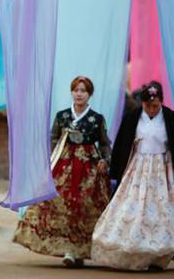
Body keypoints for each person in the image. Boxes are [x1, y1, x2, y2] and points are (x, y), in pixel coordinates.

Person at [13, 76, 111, 267]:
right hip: (63, 167)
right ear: (71, 92)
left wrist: (104, 160)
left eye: (83, 90)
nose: (79, 94)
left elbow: (105, 143)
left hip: (88, 170)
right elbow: (53, 138)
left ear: (89, 94)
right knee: (59, 202)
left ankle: (80, 251)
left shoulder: (97, 119)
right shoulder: (62, 116)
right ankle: (67, 249)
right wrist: (50, 159)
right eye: (76, 90)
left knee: (83, 206)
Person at [92, 81, 174, 271]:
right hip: (137, 169)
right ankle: (135, 251)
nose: (152, 110)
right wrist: (117, 167)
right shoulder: (133, 118)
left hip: (161, 170)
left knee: (161, 210)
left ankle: (158, 256)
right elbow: (123, 143)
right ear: (142, 104)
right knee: (133, 208)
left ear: (161, 101)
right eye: (147, 106)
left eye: (155, 106)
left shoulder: (169, 118)